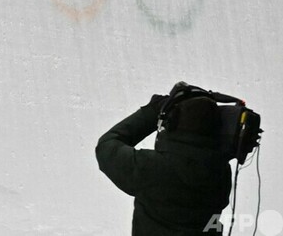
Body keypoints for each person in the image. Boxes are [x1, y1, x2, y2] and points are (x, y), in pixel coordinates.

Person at [95, 84, 232, 235]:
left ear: (171, 121)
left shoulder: (152, 168)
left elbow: (106, 147)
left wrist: (150, 113)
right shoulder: (221, 172)